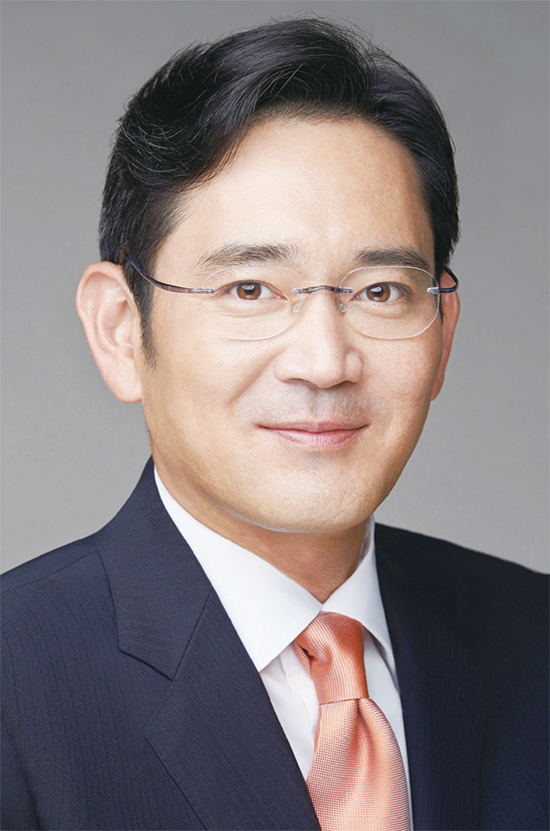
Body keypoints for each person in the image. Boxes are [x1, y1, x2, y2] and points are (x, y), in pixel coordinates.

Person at [2, 17, 547, 831]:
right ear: (121, 329)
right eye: (250, 289)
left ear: (443, 334)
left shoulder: (533, 640)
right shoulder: (17, 679)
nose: (325, 362)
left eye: (381, 291)